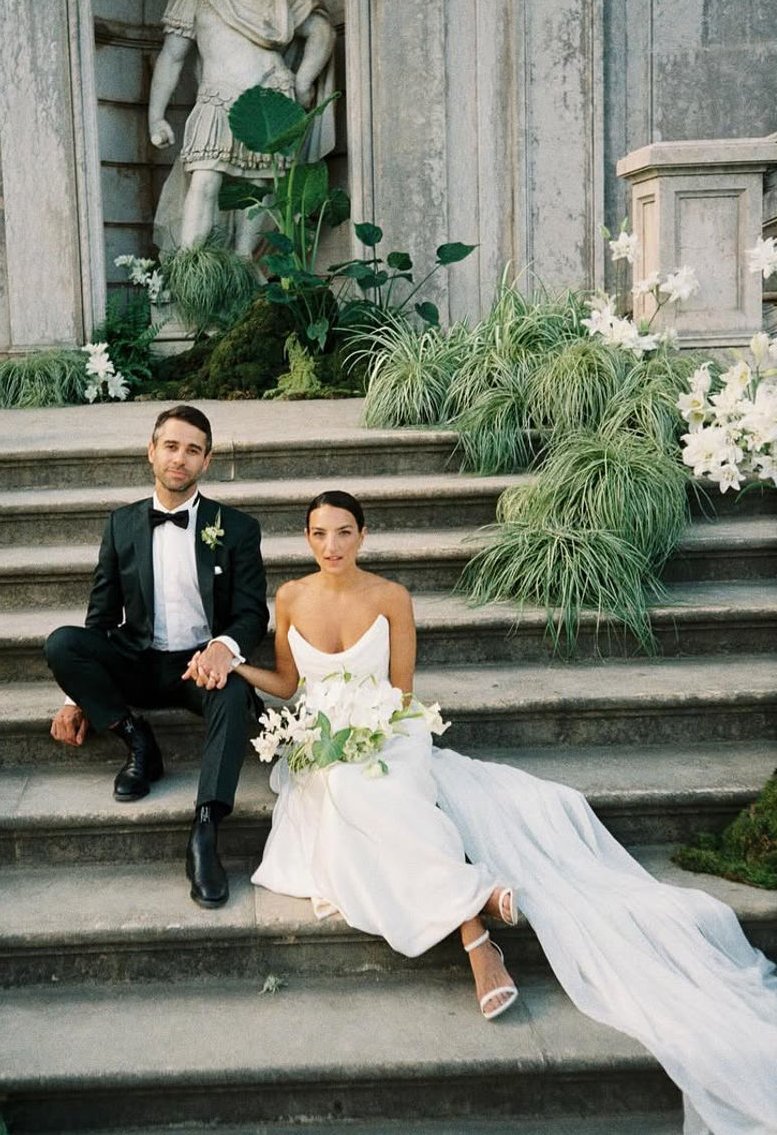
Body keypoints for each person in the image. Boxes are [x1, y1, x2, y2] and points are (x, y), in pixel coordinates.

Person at [190, 490, 777, 1134]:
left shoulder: (392, 597)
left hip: (389, 734)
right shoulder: (291, 597)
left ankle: (474, 926)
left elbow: (403, 695)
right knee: (348, 790)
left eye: (345, 532)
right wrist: (237, 667)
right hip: (322, 743)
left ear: (363, 535)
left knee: (366, 792)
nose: (332, 546)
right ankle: (477, 923)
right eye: (320, 533)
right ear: (306, 538)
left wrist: (369, 733)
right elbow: (290, 684)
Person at [45, 405, 268, 909]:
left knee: (234, 692)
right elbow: (102, 614)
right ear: (151, 451)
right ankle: (139, 742)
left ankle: (205, 830)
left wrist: (222, 648)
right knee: (62, 643)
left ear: (207, 461)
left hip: (198, 669)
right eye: (171, 446)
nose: (179, 459)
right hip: (138, 659)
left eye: (192, 450)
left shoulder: (236, 528)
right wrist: (76, 698)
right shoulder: (121, 524)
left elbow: (252, 613)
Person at [148, 0, 335, 252]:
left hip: (269, 98)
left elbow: (322, 31)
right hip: (217, 100)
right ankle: (191, 266)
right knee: (204, 181)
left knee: (261, 188)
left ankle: (245, 262)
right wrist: (155, 117)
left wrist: (303, 81)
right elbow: (171, 58)